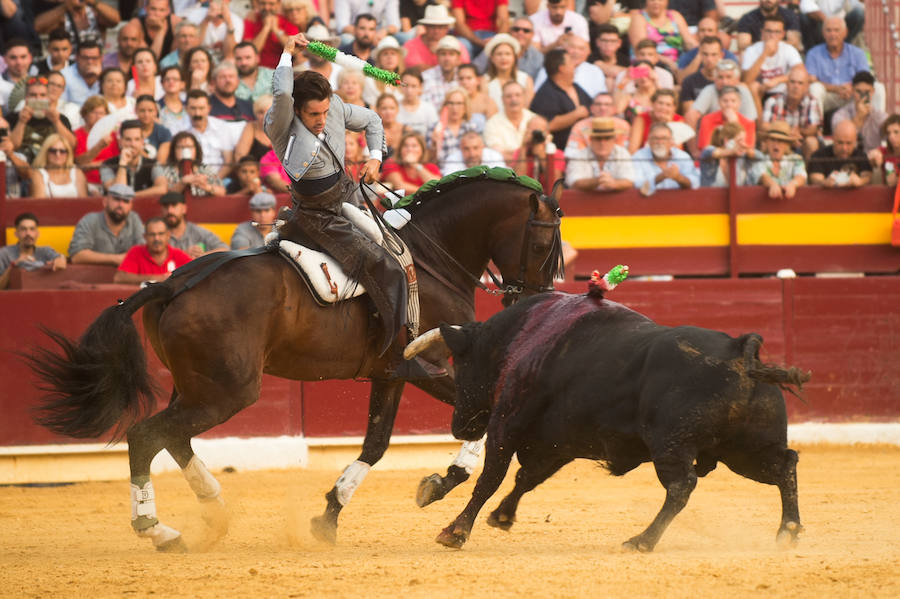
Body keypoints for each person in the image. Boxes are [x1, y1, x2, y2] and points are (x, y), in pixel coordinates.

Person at [268, 32, 425, 374]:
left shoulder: (334, 105)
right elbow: (281, 90)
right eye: (312, 114)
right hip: (316, 216)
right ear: (296, 109)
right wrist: (286, 54)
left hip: (349, 198)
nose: (322, 119)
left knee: (402, 249)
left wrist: (374, 158)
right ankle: (398, 357)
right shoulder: (280, 122)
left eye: (325, 111)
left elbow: (372, 120)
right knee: (388, 269)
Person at [805, 16, 873, 116]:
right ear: (823, 33)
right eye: (828, 30)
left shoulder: (857, 53)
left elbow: (864, 79)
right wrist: (836, 89)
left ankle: (876, 126)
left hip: (852, 94)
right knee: (815, 88)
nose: (832, 34)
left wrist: (851, 88)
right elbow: (811, 80)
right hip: (828, 95)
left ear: (845, 33)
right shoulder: (813, 53)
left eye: (836, 30)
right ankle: (815, 127)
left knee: (878, 88)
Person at [740, 14, 802, 118]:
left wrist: (778, 80)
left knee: (799, 84)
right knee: (752, 86)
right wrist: (765, 54)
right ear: (762, 32)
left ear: (783, 34)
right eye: (769, 31)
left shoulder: (789, 49)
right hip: (760, 92)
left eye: (777, 32)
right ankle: (759, 125)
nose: (772, 35)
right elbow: (746, 80)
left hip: (783, 91)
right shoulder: (752, 50)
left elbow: (801, 73)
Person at [529, 48, 591, 150]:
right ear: (561, 68)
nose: (574, 65)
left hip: (585, 147)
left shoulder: (576, 87)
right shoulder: (546, 93)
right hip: (559, 151)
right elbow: (546, 124)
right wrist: (576, 114)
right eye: (571, 61)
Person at [68, 183, 145, 265]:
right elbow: (77, 256)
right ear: (105, 202)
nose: (120, 205)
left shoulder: (134, 219)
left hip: (126, 276)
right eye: (116, 199)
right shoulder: (90, 220)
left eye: (126, 201)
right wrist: (116, 259)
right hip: (92, 276)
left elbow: (145, 251)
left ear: (131, 206)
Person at [8, 76, 77, 163]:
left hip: (52, 164)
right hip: (22, 166)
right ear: (26, 98)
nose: (38, 99)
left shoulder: (61, 118)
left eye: (42, 95)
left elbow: (71, 145)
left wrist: (56, 122)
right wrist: (21, 122)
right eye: (33, 95)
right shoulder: (13, 118)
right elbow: (11, 147)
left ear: (48, 98)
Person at [762, 65, 822, 160]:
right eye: (792, 82)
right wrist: (788, 134)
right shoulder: (773, 101)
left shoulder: (811, 101)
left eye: (800, 83)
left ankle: (807, 173)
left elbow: (813, 128)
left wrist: (798, 133)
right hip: (778, 141)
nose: (796, 86)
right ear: (786, 84)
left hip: (800, 143)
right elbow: (764, 126)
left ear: (806, 87)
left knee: (812, 142)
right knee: (764, 142)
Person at [114, 217, 192, 284]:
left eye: (161, 234)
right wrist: (156, 278)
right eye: (152, 234)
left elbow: (197, 272)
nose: (156, 238)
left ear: (168, 235)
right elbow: (119, 278)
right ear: (145, 237)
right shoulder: (136, 252)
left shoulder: (178, 254)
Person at [564, 116, 634, 192]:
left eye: (607, 138)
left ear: (614, 140)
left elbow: (630, 180)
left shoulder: (622, 153)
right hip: (585, 203)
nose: (602, 143)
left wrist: (614, 184)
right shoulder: (579, 155)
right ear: (591, 139)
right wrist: (598, 181)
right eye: (598, 138)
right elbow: (573, 182)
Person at [0, 212, 66, 290]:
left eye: (32, 229)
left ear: (37, 233)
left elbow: (62, 261)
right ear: (16, 233)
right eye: (23, 229)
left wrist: (60, 259)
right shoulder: (4, 253)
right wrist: (13, 265)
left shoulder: (45, 251)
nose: (28, 233)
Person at [152, 130, 226, 196]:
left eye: (189, 147)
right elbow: (164, 194)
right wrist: (183, 182)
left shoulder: (205, 169)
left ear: (196, 149)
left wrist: (206, 186)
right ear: (174, 150)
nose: (185, 151)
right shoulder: (164, 170)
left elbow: (222, 192)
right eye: (181, 147)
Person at [633, 122, 700, 195]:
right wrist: (659, 178)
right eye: (655, 138)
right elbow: (636, 184)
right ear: (649, 141)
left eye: (664, 138)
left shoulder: (682, 156)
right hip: (648, 203)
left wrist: (678, 177)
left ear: (671, 141)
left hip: (678, 201)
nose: (660, 142)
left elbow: (696, 183)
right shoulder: (639, 156)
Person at [186, 90, 239, 180]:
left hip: (220, 179)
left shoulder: (222, 127)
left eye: (201, 108)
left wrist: (214, 180)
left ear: (209, 108)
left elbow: (229, 162)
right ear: (186, 109)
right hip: (190, 180)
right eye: (193, 108)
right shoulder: (179, 130)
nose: (197, 113)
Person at [832, 71, 888, 154]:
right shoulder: (840, 115)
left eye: (867, 92)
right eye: (859, 91)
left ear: (872, 92)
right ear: (853, 91)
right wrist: (859, 117)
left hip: (872, 160)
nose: (863, 96)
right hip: (849, 159)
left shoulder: (880, 117)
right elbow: (840, 136)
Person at [100, 120, 162, 195]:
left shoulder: (153, 164)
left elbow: (162, 188)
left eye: (137, 139)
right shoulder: (107, 165)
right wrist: (123, 163)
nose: (132, 144)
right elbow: (118, 193)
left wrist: (132, 196)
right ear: (120, 142)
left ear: (142, 142)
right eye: (128, 139)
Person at [628, 0, 697, 67]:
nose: (656, 2)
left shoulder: (675, 15)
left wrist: (701, 52)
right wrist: (669, 62)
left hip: (679, 62)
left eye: (660, 0)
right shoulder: (639, 18)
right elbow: (643, 49)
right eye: (652, 0)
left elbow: (689, 42)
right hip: (651, 63)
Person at [158, 192, 228, 258]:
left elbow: (225, 249)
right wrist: (183, 255)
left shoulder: (197, 231)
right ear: (161, 210)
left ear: (184, 209)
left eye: (174, 205)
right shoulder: (155, 233)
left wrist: (203, 256)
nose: (170, 211)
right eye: (166, 206)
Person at [402, 4, 471, 70]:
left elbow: (464, 68)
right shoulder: (411, 45)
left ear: (447, 28)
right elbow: (414, 68)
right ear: (425, 27)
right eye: (432, 26)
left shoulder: (458, 45)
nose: (436, 31)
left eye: (440, 27)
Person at [750, 121, 807, 199]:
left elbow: (801, 175)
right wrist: (772, 184)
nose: (776, 144)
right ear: (767, 142)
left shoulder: (795, 159)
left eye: (780, 141)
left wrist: (793, 184)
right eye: (773, 140)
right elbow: (761, 176)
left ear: (787, 144)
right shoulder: (759, 159)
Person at [474, 16, 544, 79]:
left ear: (532, 34)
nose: (520, 33)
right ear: (510, 31)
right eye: (516, 29)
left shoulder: (537, 57)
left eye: (526, 31)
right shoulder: (495, 46)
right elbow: (474, 70)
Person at [807, 120, 871, 188]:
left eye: (848, 143)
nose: (844, 148)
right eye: (840, 142)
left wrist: (859, 181)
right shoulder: (819, 156)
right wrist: (824, 182)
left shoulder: (861, 156)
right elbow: (815, 178)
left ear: (855, 141)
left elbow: (867, 176)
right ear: (833, 139)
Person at [484, 80, 536, 164]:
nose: (514, 99)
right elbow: (497, 156)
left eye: (517, 95)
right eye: (509, 96)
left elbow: (543, 149)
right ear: (502, 99)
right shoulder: (492, 123)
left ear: (524, 97)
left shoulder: (534, 119)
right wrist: (526, 153)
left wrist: (510, 153)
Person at [431, 88, 481, 172]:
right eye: (451, 103)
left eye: (459, 103)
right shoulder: (435, 128)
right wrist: (434, 146)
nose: (455, 108)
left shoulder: (471, 127)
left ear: (465, 107)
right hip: (443, 174)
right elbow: (430, 161)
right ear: (445, 106)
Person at [482, 33, 535, 110]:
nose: (503, 58)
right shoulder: (485, 80)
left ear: (514, 57)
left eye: (508, 54)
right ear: (492, 58)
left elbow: (527, 108)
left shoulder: (526, 79)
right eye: (499, 54)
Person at [676, 17, 738, 81]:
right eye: (702, 30)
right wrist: (699, 56)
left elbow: (735, 80)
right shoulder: (688, 55)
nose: (706, 34)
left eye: (710, 30)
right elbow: (681, 80)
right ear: (697, 33)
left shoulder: (728, 56)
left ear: (717, 33)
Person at [242, 0, 300, 69]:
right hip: (257, 70)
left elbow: (294, 50)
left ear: (278, 4)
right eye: (263, 3)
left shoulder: (288, 22)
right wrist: (266, 28)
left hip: (282, 69)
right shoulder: (251, 20)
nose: (266, 7)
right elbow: (249, 52)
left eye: (271, 4)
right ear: (258, 4)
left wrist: (276, 30)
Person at [74, 95, 116, 188]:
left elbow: (116, 161)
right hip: (86, 183)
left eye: (102, 113)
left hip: (111, 182)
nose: (98, 116)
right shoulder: (77, 135)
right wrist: (98, 147)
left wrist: (92, 165)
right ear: (85, 114)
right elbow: (79, 163)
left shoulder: (113, 135)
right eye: (94, 112)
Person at [699, 122, 758, 187]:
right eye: (739, 140)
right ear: (726, 141)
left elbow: (758, 157)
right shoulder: (709, 150)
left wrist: (748, 150)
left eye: (744, 141)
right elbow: (712, 152)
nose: (742, 144)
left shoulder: (743, 157)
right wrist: (732, 151)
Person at [697, 86, 756, 151]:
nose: (729, 105)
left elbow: (747, 150)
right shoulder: (707, 120)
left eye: (733, 101)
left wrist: (734, 125)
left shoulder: (749, 123)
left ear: (739, 103)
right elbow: (705, 148)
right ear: (719, 102)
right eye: (725, 101)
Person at [630, 89, 687, 153]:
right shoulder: (641, 118)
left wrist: (668, 123)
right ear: (653, 104)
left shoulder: (679, 121)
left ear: (674, 108)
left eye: (668, 105)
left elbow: (677, 151)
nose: (663, 107)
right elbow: (632, 149)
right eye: (660, 103)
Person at [735, 0, 801, 53]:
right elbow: (742, 46)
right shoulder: (747, 18)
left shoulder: (789, 16)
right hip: (756, 57)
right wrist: (766, 47)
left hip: (784, 56)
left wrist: (769, 45)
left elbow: (795, 44)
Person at [421, 36, 463, 109]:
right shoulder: (426, 77)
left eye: (451, 54)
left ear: (458, 58)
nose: (447, 59)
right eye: (443, 54)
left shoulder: (463, 77)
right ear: (437, 56)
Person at [441, 129, 506, 174]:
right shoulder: (451, 160)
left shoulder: (495, 157)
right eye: (466, 149)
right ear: (460, 149)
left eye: (475, 148)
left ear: (483, 147)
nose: (472, 154)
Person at [335, 1, 400, 46]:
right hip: (355, 33)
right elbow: (342, 25)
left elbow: (395, 25)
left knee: (392, 41)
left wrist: (384, 31)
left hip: (378, 34)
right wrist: (365, 34)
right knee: (346, 39)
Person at [60, 39, 103, 105]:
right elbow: (60, 104)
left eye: (94, 58)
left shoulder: (107, 76)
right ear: (76, 58)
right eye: (85, 58)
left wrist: (101, 78)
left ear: (101, 58)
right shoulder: (64, 76)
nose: (90, 62)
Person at [397, 69, 438, 138]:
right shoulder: (394, 107)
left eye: (414, 86)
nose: (409, 90)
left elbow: (434, 134)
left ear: (420, 87)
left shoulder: (429, 109)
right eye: (406, 85)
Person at [235, 94, 276, 163]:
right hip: (255, 172)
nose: (265, 116)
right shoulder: (251, 127)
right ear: (255, 113)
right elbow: (240, 156)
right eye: (261, 112)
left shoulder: (285, 129)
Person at [135, 95, 172, 164]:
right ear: (136, 111)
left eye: (150, 110)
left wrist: (139, 151)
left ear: (156, 112)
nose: (146, 114)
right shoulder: (129, 129)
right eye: (142, 110)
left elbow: (160, 162)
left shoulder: (164, 132)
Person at [868, 114, 900, 187]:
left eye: (896, 132)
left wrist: (897, 181)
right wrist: (874, 156)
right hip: (886, 195)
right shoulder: (884, 151)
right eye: (888, 133)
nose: (891, 136)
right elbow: (874, 155)